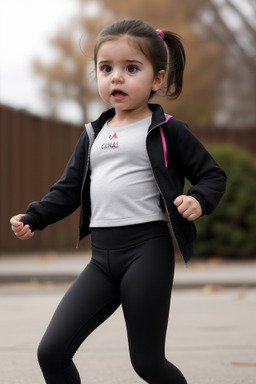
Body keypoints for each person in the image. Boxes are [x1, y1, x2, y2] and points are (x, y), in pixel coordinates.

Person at [10, 18, 226, 384]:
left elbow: (212, 174)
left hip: (147, 253)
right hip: (102, 259)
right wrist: (34, 216)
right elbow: (68, 189)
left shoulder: (168, 129)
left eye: (131, 68)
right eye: (106, 68)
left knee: (147, 362)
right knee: (51, 353)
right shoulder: (93, 134)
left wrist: (199, 200)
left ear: (157, 79)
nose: (117, 78)